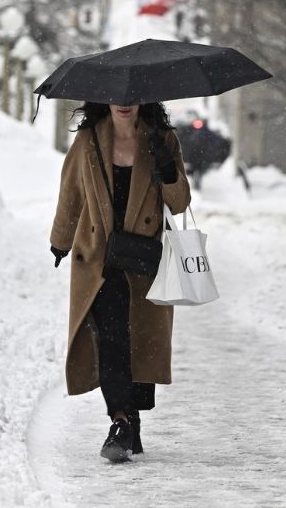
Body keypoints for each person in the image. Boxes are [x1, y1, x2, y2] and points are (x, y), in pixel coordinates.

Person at [49, 101, 191, 462]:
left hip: (143, 259)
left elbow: (180, 203)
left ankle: (132, 419)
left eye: (132, 95)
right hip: (98, 258)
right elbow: (72, 193)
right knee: (111, 337)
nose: (124, 103)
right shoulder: (88, 140)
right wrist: (61, 241)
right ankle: (120, 420)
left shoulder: (162, 139)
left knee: (140, 340)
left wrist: (166, 169)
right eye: (116, 96)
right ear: (105, 100)